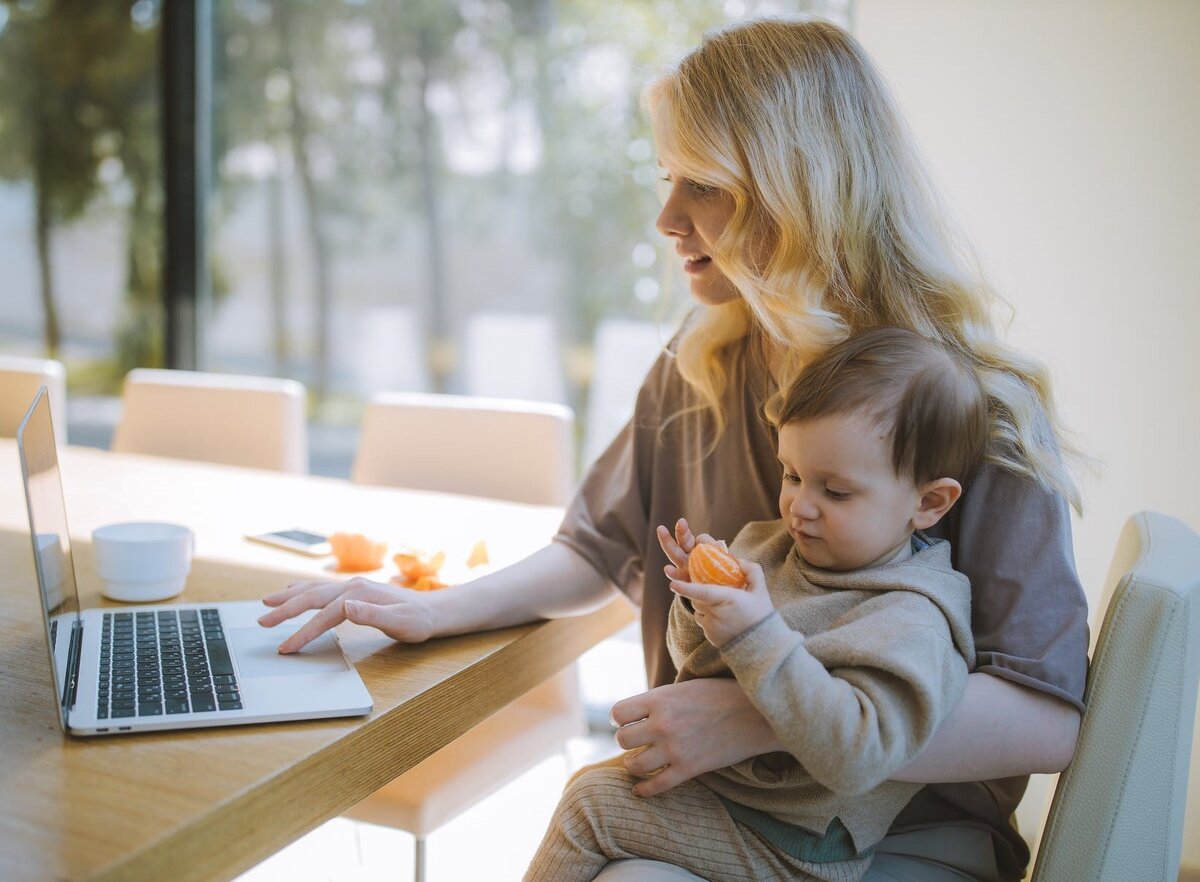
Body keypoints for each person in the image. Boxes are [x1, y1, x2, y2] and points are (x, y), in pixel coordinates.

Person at [257, 17, 1088, 881]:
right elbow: (596, 549)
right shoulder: (703, 359)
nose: (665, 217)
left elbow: (1046, 718)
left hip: (904, 836)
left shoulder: (969, 407)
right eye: (666, 179)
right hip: (722, 802)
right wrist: (436, 608)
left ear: (799, 191)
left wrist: (761, 714)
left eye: (704, 186)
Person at [522, 327, 986, 882]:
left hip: (799, 843)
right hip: (734, 798)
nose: (799, 507)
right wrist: (699, 605)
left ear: (929, 502)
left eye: (835, 492)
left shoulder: (911, 614)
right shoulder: (773, 547)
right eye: (792, 475)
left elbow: (858, 754)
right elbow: (697, 667)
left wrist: (756, 631)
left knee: (590, 805)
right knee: (595, 786)